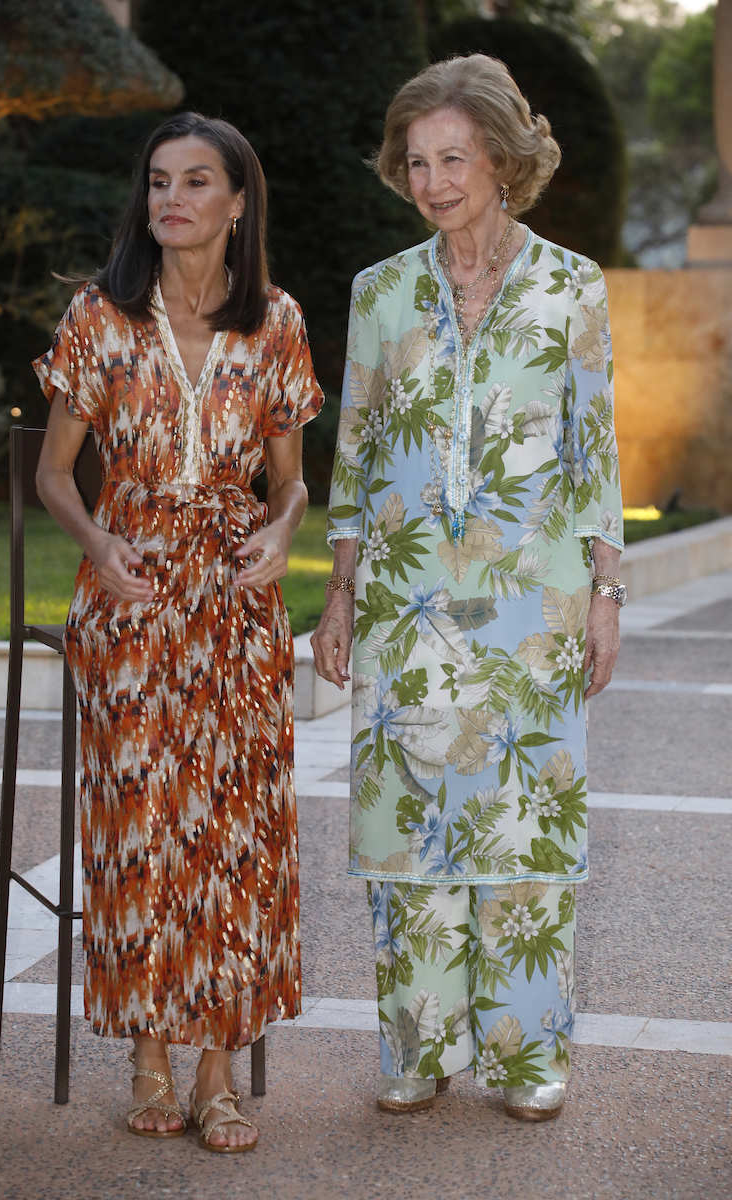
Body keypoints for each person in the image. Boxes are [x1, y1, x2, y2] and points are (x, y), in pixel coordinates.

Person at [311, 54, 624, 1122]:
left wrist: (605, 591)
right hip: (404, 605)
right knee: (407, 829)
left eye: (453, 158)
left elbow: (594, 452)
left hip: (533, 608)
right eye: (416, 162)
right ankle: (418, 1046)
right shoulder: (378, 292)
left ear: (498, 158)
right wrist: (339, 593)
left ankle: (524, 1056)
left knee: (524, 833)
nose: (433, 180)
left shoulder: (570, 285)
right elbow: (352, 453)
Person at [34, 112, 323, 1151]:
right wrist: (100, 549)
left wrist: (280, 536)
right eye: (159, 181)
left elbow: (289, 490)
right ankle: (147, 1054)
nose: (172, 198)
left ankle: (217, 1073)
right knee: (140, 828)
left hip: (236, 605)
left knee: (235, 834)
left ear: (238, 204)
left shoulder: (276, 322)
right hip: (133, 591)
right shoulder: (99, 317)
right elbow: (54, 475)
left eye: (198, 182)